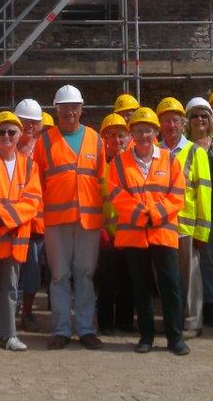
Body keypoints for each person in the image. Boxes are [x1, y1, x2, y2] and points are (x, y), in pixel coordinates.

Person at [106, 107, 189, 356]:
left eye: (148, 131)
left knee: (171, 286)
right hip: (134, 235)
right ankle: (146, 336)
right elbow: (116, 194)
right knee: (140, 288)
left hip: (163, 233)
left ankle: (176, 337)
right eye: (139, 131)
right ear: (132, 133)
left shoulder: (170, 159)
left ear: (156, 133)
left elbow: (177, 194)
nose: (144, 135)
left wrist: (155, 214)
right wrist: (142, 216)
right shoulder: (119, 163)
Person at [35, 84, 105, 350]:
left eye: (74, 107)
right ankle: (61, 330)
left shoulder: (95, 139)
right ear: (57, 109)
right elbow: (37, 182)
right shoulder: (44, 141)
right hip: (55, 222)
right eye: (65, 108)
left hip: (88, 221)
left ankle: (86, 329)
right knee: (59, 276)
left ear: (81, 109)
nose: (70, 112)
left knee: (85, 275)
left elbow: (102, 181)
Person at [0, 111, 42, 355]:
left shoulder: (30, 165)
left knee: (11, 288)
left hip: (15, 239)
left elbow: (33, 199)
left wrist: (9, 219)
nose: (6, 136)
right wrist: (6, 217)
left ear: (19, 134)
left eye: (11, 132)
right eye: (1, 132)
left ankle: (9, 334)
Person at [156, 97, 211, 337]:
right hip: (160, 227)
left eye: (175, 121)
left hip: (186, 228)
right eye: (166, 121)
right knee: (165, 279)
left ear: (183, 124)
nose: (171, 126)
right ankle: (171, 320)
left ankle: (191, 321)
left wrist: (203, 230)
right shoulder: (154, 151)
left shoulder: (195, 152)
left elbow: (204, 192)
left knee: (189, 279)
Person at [94, 112, 133, 334]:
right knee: (107, 280)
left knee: (128, 280)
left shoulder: (133, 163)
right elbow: (93, 198)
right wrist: (101, 228)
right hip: (106, 234)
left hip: (129, 232)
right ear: (103, 138)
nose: (116, 140)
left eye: (121, 136)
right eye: (111, 136)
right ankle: (106, 323)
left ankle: (126, 321)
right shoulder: (99, 165)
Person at [185, 96, 213, 327]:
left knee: (207, 259)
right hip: (188, 212)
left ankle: (209, 304)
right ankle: (191, 307)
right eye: (194, 116)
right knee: (189, 262)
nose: (200, 120)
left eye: (203, 116)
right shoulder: (183, 147)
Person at [13, 98, 46, 331]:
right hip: (12, 220)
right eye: (25, 121)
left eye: (33, 122)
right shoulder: (6, 146)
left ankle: (27, 311)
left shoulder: (44, 148)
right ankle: (9, 311)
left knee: (33, 270)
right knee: (11, 268)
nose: (29, 126)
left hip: (36, 220)